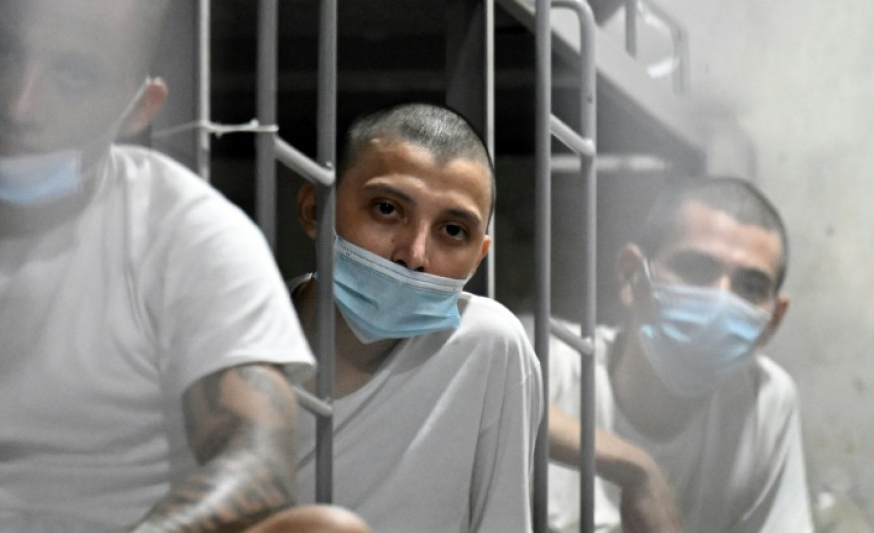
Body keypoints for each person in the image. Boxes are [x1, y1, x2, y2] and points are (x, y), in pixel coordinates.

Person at [0, 1, 369, 531]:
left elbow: (259, 467)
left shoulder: (184, 229)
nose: (19, 104)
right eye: (1, 52)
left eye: (73, 75)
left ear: (140, 107)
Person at [290, 103, 543, 532]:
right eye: (387, 209)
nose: (414, 254)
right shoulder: (239, 335)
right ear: (315, 209)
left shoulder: (486, 345)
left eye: (453, 230)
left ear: (479, 257)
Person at [544, 177, 813, 532]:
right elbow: (485, 393)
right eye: (695, 268)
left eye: (750, 286)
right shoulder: (553, 360)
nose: (720, 301)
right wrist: (636, 469)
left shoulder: (763, 399)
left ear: (773, 320)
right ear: (632, 276)